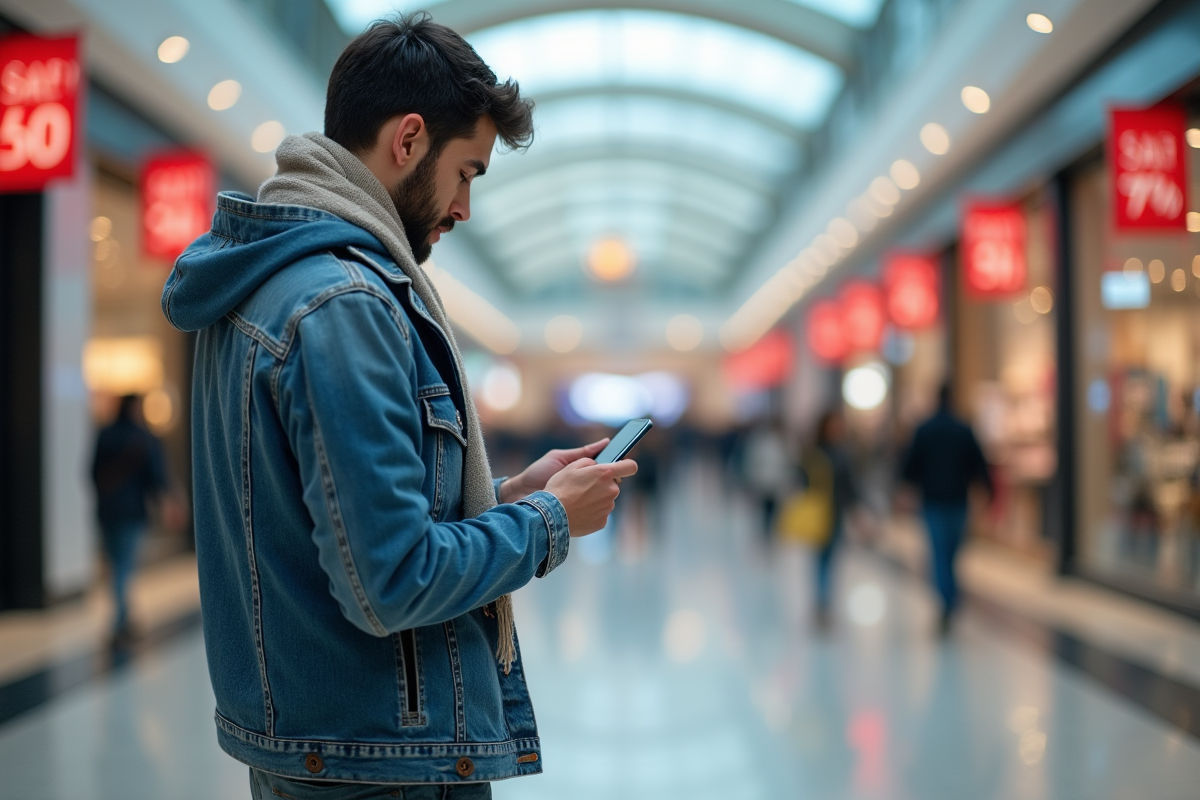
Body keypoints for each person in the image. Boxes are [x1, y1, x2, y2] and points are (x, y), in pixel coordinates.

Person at [161, 13, 636, 798]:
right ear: (408, 140)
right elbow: (392, 580)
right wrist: (548, 523)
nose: (464, 209)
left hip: (324, 747)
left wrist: (514, 494)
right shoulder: (342, 304)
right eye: (467, 173)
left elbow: (346, 528)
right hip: (380, 762)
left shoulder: (267, 285)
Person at [901, 384, 993, 632]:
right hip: (958, 500)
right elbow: (979, 464)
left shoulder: (924, 429)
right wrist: (988, 491)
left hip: (932, 501)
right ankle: (950, 600)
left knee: (939, 553)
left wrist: (907, 489)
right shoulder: (963, 429)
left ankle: (946, 601)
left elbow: (909, 466)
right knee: (952, 554)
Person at [90, 394, 169, 647]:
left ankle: (123, 618)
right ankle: (119, 623)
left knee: (116, 566)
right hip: (132, 512)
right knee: (124, 566)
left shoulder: (105, 434)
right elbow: (156, 477)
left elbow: (92, 473)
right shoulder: (142, 437)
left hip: (106, 511)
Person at [809, 410, 859, 628]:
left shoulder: (844, 454)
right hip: (818, 513)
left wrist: (857, 511)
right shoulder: (814, 453)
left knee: (830, 559)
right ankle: (822, 602)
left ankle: (825, 602)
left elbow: (850, 488)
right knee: (821, 559)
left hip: (836, 513)